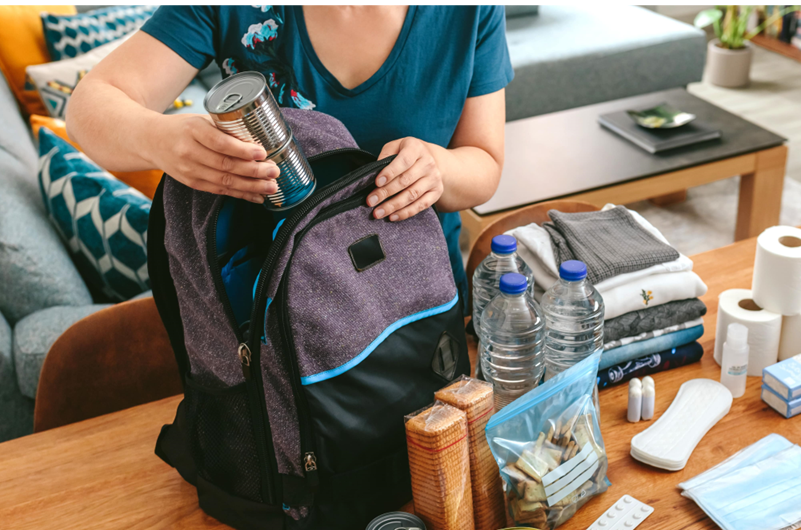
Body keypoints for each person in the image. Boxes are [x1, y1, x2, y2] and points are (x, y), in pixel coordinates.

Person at [66, 5, 513, 305]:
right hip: (273, 320)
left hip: (420, 303)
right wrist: (162, 139)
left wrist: (438, 169)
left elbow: (484, 163)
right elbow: (89, 108)